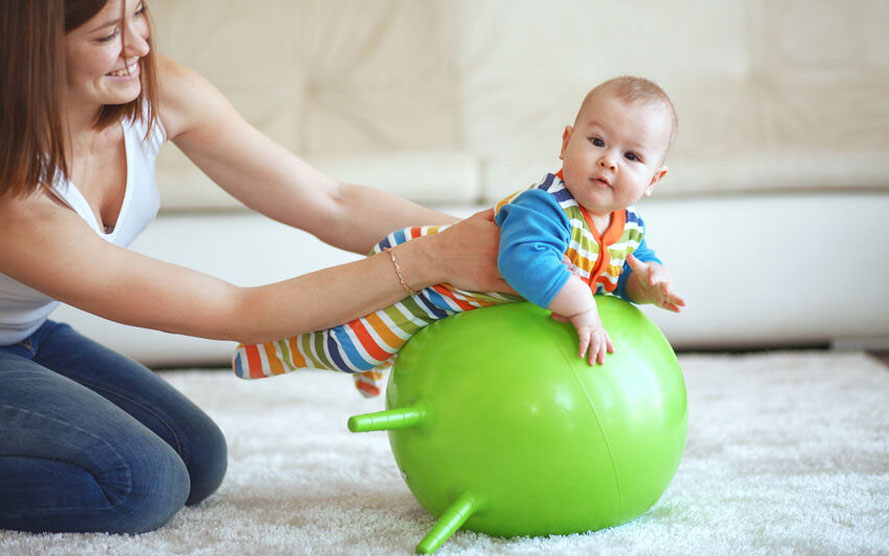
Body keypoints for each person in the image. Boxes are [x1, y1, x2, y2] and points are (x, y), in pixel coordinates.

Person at [0, 0, 509, 535]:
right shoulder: (17, 203)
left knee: (197, 458)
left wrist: (488, 239)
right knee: (142, 484)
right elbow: (237, 312)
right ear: (33, 50)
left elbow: (328, 201)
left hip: (29, 337)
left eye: (140, 13)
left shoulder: (159, 90)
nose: (139, 45)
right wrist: (429, 259)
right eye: (106, 34)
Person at [235, 76, 686, 397]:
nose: (609, 161)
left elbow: (622, 268)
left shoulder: (628, 225)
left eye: (631, 155)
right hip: (439, 290)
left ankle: (377, 366)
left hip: (476, 313)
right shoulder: (547, 205)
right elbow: (524, 261)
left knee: (390, 350)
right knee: (359, 345)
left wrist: (645, 283)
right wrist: (583, 306)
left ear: (653, 180)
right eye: (597, 142)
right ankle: (283, 349)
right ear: (566, 142)